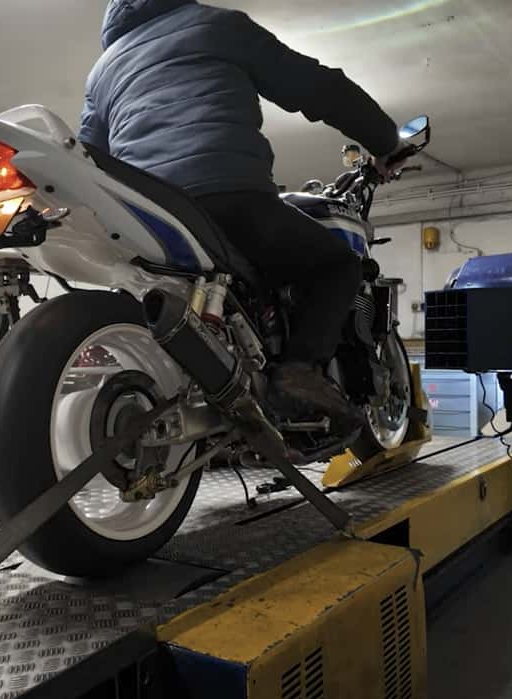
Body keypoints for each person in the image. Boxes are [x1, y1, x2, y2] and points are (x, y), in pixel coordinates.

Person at [79, 0, 409, 429]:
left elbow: (91, 155)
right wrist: (386, 142)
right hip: (226, 193)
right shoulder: (216, 24)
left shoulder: (102, 72)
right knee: (338, 266)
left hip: (147, 214)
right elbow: (316, 87)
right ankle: (298, 372)